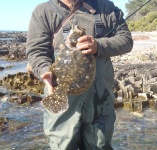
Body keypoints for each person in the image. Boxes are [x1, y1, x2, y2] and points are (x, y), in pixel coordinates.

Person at [26, 0, 133, 149]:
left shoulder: (106, 8)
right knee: (61, 145)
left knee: (100, 144)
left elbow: (126, 40)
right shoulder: (43, 11)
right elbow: (36, 51)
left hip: (100, 97)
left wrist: (98, 45)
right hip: (60, 92)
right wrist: (45, 71)